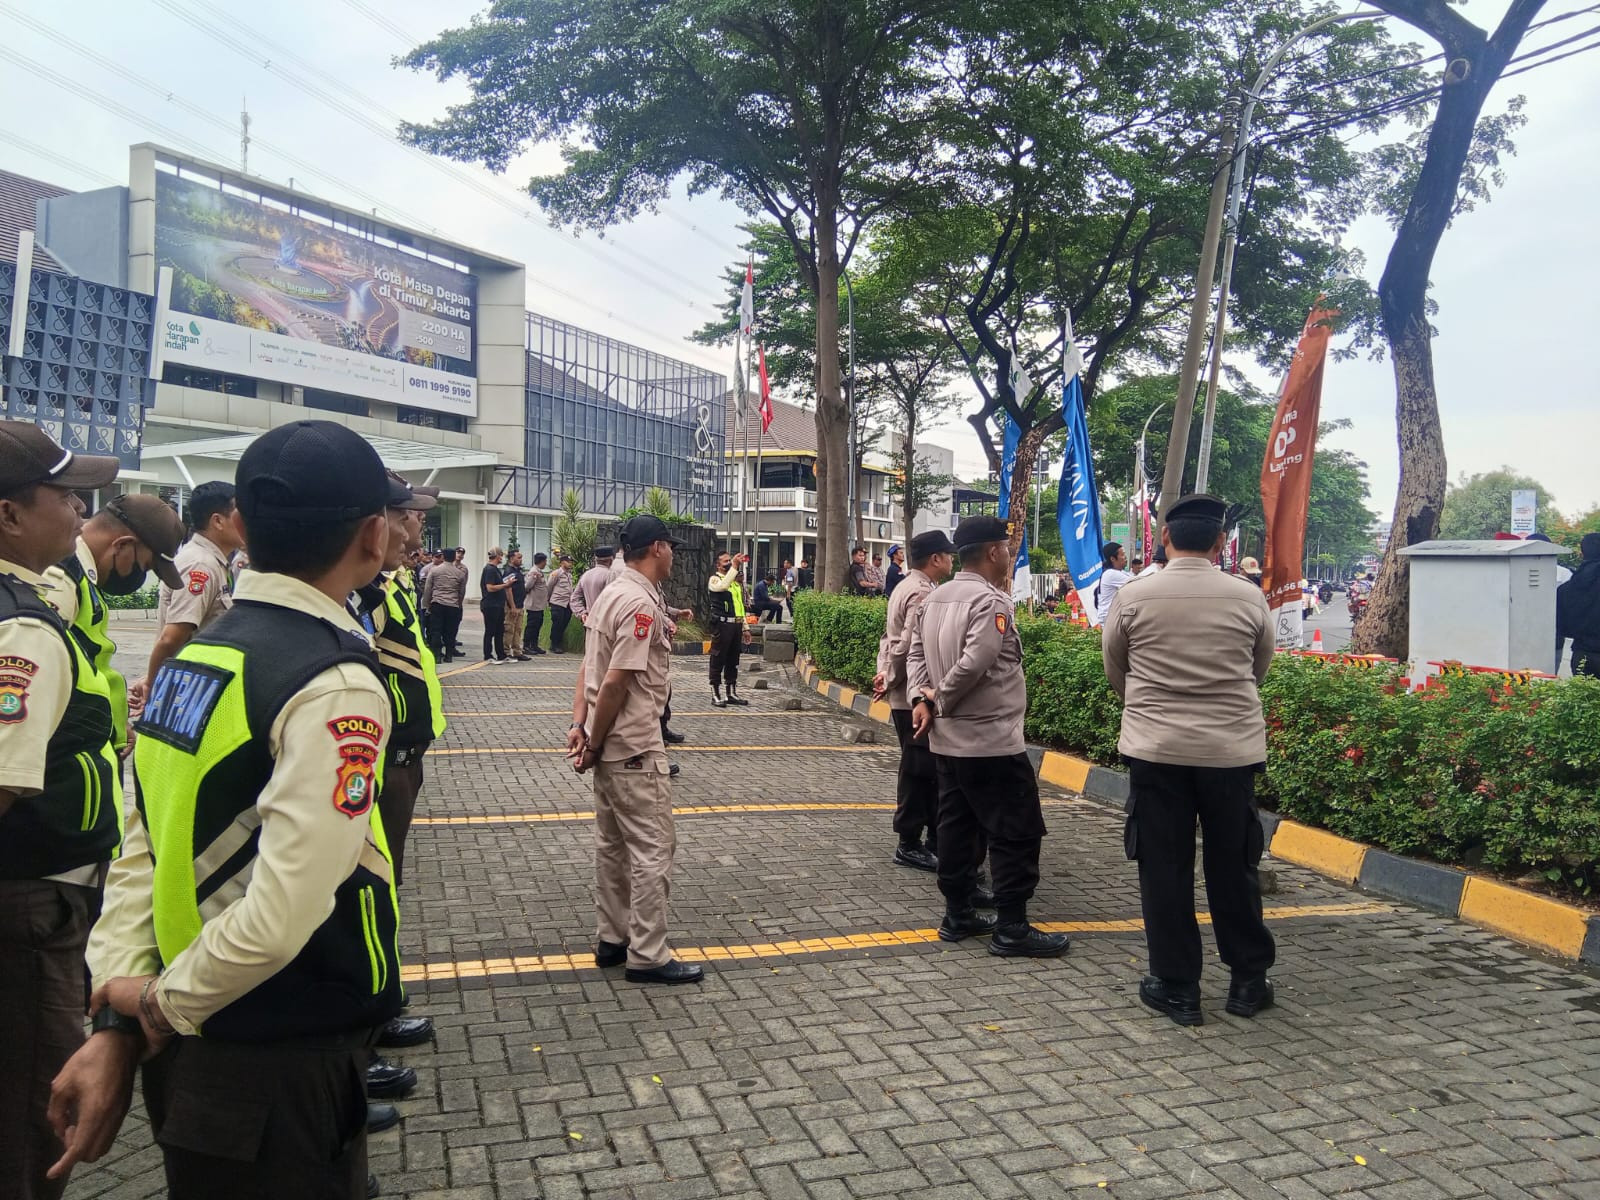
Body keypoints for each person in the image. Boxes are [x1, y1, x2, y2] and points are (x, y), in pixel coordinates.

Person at [50, 420, 411, 1198]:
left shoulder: (199, 659)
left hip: (187, 1044)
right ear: (373, 537)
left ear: (241, 525)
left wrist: (124, 1009)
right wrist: (151, 1007)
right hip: (274, 1054)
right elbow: (286, 910)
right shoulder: (332, 682)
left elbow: (140, 848)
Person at [1101, 493, 1277, 1028]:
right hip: (1231, 753)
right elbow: (1258, 668)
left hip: (1157, 752)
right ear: (1221, 543)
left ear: (1166, 540)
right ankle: (1248, 983)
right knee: (1234, 867)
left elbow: (1117, 670)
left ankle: (1178, 989)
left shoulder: (1134, 594)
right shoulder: (1248, 597)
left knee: (1165, 869)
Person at [0, 421, 121, 1200]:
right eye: (66, 495)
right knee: (32, 1109)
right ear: (11, 514)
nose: (79, 514)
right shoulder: (22, 624)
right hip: (29, 902)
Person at [906, 515, 1068, 959]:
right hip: (991, 739)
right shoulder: (990, 602)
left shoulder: (936, 598)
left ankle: (957, 912)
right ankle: (1012, 926)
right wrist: (936, 698)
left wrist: (923, 698)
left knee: (956, 827)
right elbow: (977, 661)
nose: (1010, 554)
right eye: (1007, 547)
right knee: (1015, 831)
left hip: (948, 740)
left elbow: (916, 654)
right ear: (994, 551)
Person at [566, 514, 702, 986]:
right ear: (658, 547)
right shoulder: (636, 603)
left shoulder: (613, 595)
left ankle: (612, 939)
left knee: (612, 848)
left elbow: (588, 666)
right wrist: (595, 740)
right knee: (651, 851)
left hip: (610, 748)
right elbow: (616, 679)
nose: (674, 555)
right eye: (671, 547)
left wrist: (579, 727)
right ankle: (646, 954)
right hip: (634, 749)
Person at [45, 495, 186, 763]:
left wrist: (117, 722)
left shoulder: (83, 576)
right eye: (143, 567)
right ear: (122, 545)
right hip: (69, 756)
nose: (139, 576)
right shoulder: (61, 577)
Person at [873, 530, 955, 874]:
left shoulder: (909, 585)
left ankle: (932, 839)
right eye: (948, 555)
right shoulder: (921, 592)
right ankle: (909, 843)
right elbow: (906, 644)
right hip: (913, 696)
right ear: (935, 558)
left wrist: (883, 674)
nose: (952, 560)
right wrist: (890, 678)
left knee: (923, 770)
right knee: (918, 771)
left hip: (906, 692)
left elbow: (888, 640)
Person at [142, 480, 243, 689]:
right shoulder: (201, 565)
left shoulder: (214, 562)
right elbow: (171, 638)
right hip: (188, 687)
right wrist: (152, 686)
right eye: (241, 516)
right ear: (218, 521)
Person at [706, 550, 753, 707]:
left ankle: (731, 692)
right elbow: (722, 586)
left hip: (736, 625)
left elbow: (740, 607)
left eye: (729, 561)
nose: (728, 563)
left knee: (733, 660)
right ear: (718, 565)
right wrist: (734, 566)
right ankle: (715, 694)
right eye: (725, 561)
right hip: (722, 624)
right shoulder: (715, 579)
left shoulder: (735, 583)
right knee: (718, 658)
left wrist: (745, 628)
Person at [1557, 532, 1600, 678]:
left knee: (1583, 699)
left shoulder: (1566, 589)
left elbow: (1562, 627)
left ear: (1582, 553)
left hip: (1581, 655)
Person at [421, 547, 468, 662]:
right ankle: (449, 655)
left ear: (443, 557)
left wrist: (426, 605)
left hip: (437, 603)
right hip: (453, 605)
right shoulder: (460, 573)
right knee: (450, 631)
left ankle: (437, 655)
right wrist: (458, 603)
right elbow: (462, 591)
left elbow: (428, 589)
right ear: (453, 558)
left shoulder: (435, 571)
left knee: (436, 630)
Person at [479, 547, 513, 662]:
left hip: (498, 604)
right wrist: (505, 585)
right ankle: (487, 655)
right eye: (501, 555)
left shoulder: (495, 569)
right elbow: (490, 588)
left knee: (499, 630)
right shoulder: (490, 569)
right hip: (490, 605)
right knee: (490, 630)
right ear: (497, 556)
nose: (502, 558)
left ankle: (501, 654)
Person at [570, 546, 617, 627]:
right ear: (611, 560)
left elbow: (574, 599)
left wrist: (582, 614)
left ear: (596, 560)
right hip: (606, 624)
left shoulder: (586, 575)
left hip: (589, 622)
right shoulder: (610, 575)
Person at [1093, 540, 1130, 625]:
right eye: (1122, 554)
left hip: (1113, 619)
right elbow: (1139, 583)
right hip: (1110, 622)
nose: (1125, 557)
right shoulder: (1111, 574)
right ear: (1113, 558)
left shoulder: (1118, 572)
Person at [502, 548, 529, 661]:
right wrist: (512, 606)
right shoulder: (509, 571)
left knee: (518, 629)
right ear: (512, 558)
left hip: (519, 605)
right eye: (519, 557)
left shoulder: (518, 571)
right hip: (511, 606)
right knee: (509, 629)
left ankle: (517, 651)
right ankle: (506, 651)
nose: (521, 559)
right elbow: (508, 590)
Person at [547, 554, 575, 652]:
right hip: (557, 602)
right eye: (568, 561)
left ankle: (559, 643)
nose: (570, 564)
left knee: (563, 624)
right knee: (557, 624)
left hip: (567, 604)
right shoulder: (556, 573)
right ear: (562, 562)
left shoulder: (569, 575)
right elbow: (549, 587)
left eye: (571, 562)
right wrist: (548, 600)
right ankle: (554, 645)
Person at [525, 552, 551, 655]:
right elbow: (528, 586)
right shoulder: (534, 572)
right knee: (532, 625)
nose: (546, 563)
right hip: (534, 604)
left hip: (539, 605)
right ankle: (526, 645)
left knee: (537, 625)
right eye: (545, 561)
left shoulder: (538, 571)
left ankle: (534, 645)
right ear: (541, 561)